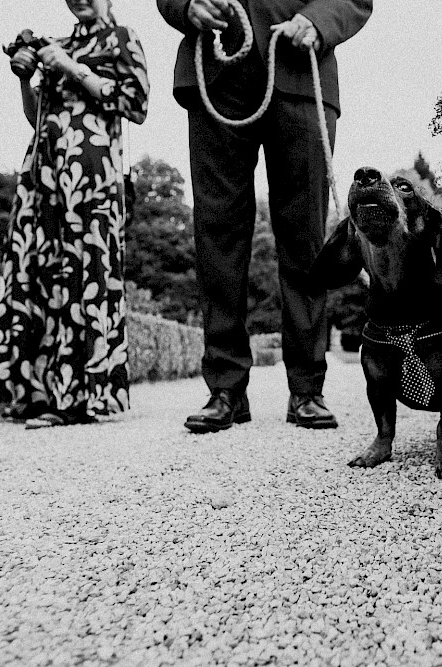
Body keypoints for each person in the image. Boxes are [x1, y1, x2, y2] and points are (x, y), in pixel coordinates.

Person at [156, 0, 372, 434]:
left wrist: (319, 21)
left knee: (306, 237)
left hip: (299, 73)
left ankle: (308, 388)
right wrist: (186, 5)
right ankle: (225, 388)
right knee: (216, 232)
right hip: (217, 72)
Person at [0, 0, 149, 429]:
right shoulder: (55, 44)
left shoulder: (121, 38)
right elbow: (36, 117)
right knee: (42, 268)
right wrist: (26, 79)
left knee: (87, 272)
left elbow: (136, 103)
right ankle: (37, 392)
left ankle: (80, 396)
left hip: (93, 171)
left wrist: (72, 67)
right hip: (44, 169)